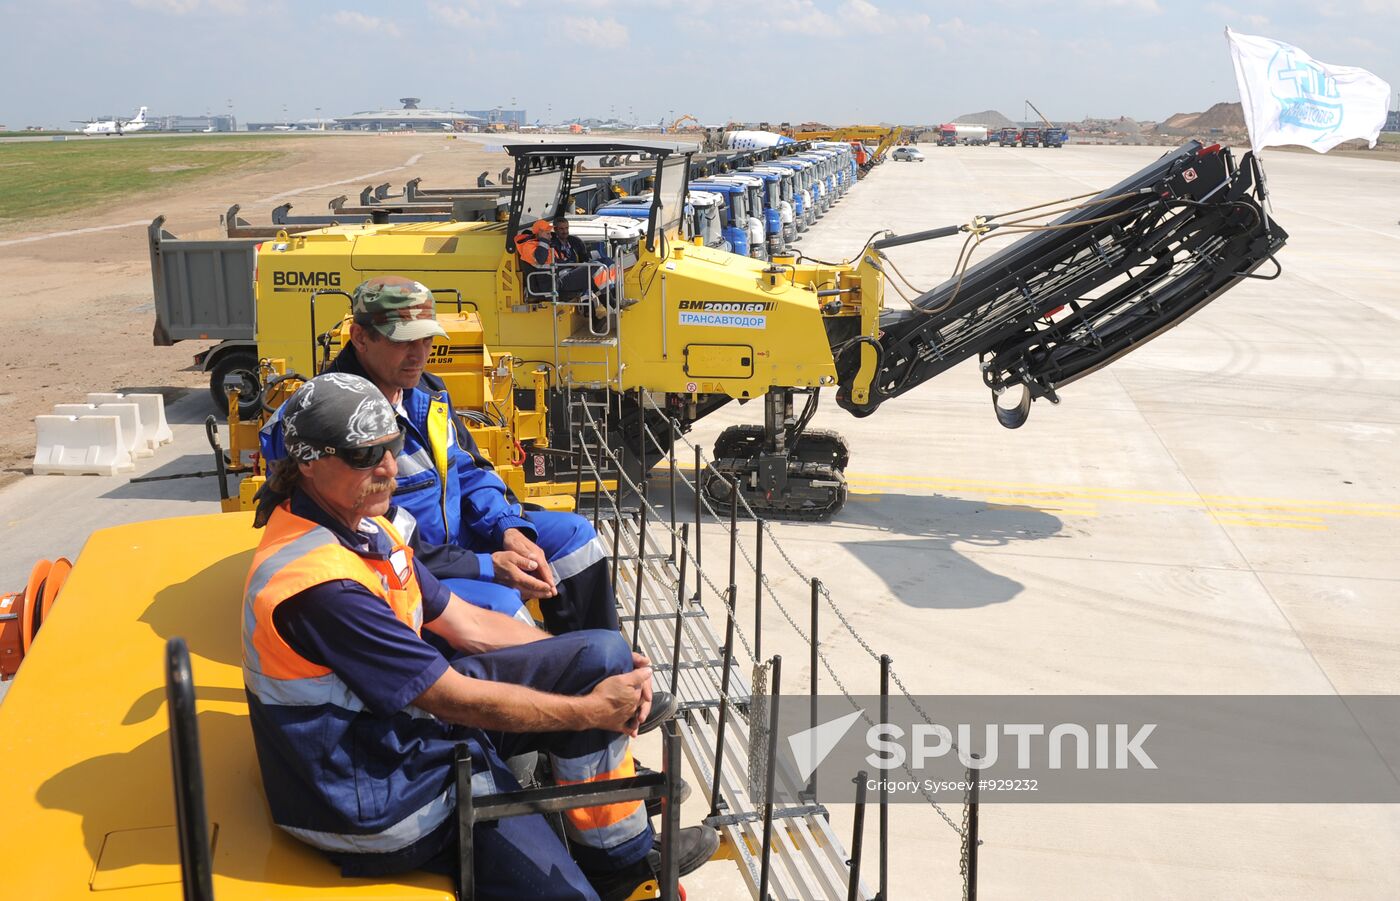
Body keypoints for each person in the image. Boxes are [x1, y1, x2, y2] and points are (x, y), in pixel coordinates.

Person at [243, 372, 717, 900]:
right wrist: (592, 711)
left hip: (397, 735)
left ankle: (622, 867)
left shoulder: (364, 528)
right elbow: (451, 697)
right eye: (363, 456)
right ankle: (592, 881)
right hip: (378, 796)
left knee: (599, 654)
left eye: (392, 447)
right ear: (308, 462)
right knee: (565, 893)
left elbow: (465, 624)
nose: (389, 468)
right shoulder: (320, 586)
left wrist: (609, 670)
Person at [261, 276, 614, 635]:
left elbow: (469, 469)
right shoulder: (318, 418)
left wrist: (507, 527)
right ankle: (555, 676)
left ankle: (603, 659)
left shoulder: (429, 393)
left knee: (576, 537)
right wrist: (485, 566)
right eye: (404, 341)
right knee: (502, 610)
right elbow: (365, 535)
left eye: (427, 339)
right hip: (401, 562)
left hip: (458, 540)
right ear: (360, 337)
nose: (420, 354)